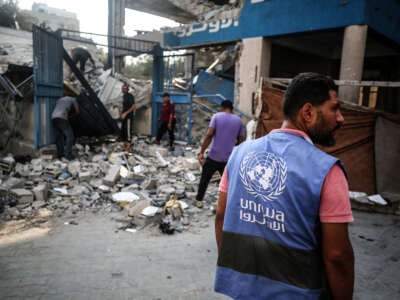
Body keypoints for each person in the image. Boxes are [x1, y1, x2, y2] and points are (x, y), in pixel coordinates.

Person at [214, 73, 354, 299]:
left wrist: (238, 274)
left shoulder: (239, 154)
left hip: (242, 291)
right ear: (308, 113)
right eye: (334, 109)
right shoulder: (327, 171)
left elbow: (221, 216)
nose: (341, 118)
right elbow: (337, 256)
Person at [195, 100, 245, 209]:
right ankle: (228, 205)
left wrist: (201, 152)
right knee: (229, 184)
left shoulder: (216, 117)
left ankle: (199, 200)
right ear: (231, 108)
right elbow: (241, 141)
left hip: (213, 156)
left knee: (205, 179)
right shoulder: (239, 121)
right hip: (228, 159)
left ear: (222, 107)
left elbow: (209, 135)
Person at [51, 94, 80, 160]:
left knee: (59, 137)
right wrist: (71, 116)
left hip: (53, 118)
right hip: (62, 118)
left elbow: (60, 108)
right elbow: (77, 111)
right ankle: (68, 155)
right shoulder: (73, 99)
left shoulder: (60, 99)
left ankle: (60, 154)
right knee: (70, 136)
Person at [120, 84, 136, 152]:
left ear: (127, 89)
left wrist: (125, 113)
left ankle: (128, 147)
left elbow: (133, 106)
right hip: (124, 117)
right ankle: (125, 146)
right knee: (124, 131)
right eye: (122, 88)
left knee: (128, 131)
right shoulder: (124, 96)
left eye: (124, 88)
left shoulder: (129, 96)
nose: (123, 89)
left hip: (128, 117)